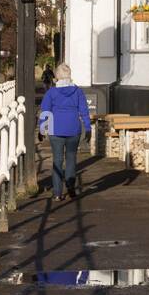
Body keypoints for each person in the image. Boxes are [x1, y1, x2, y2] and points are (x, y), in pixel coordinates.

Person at [38, 63, 90, 202]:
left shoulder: (52, 92)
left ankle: (57, 193)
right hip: (74, 129)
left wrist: (42, 129)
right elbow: (84, 111)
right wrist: (88, 128)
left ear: (57, 76)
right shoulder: (78, 91)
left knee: (58, 160)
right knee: (71, 159)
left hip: (56, 130)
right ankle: (71, 188)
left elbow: (46, 111)